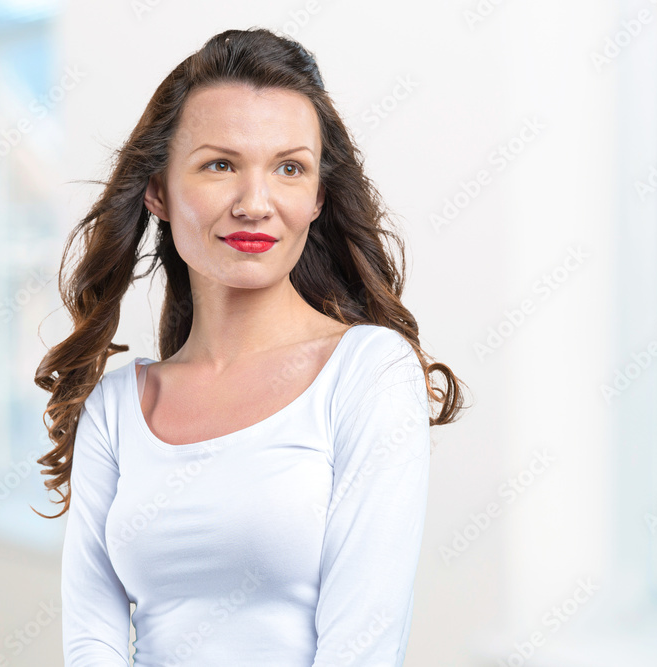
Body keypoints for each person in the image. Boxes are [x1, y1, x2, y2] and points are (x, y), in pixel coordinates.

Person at [33, 27, 468, 666]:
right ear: (158, 189)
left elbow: (362, 647)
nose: (255, 204)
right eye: (220, 164)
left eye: (289, 168)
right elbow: (91, 643)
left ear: (318, 196)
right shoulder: (116, 407)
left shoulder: (369, 373)